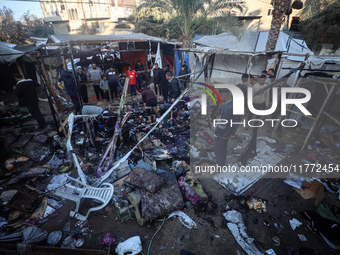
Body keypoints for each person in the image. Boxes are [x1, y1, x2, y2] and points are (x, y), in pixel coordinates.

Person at [213, 89, 238, 166]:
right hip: (228, 132)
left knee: (219, 150)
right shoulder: (233, 103)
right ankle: (222, 163)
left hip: (222, 134)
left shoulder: (227, 108)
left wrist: (217, 133)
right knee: (223, 149)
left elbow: (223, 124)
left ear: (223, 96)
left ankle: (219, 166)